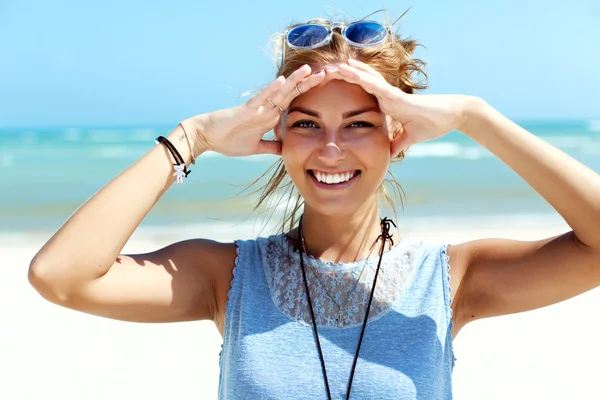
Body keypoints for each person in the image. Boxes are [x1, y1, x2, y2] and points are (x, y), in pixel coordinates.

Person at [28, 13, 600, 400]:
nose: (331, 148)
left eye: (358, 125)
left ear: (397, 137)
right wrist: (193, 136)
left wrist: (474, 117)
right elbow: (61, 276)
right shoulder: (228, 277)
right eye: (307, 124)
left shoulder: (452, 279)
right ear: (278, 135)